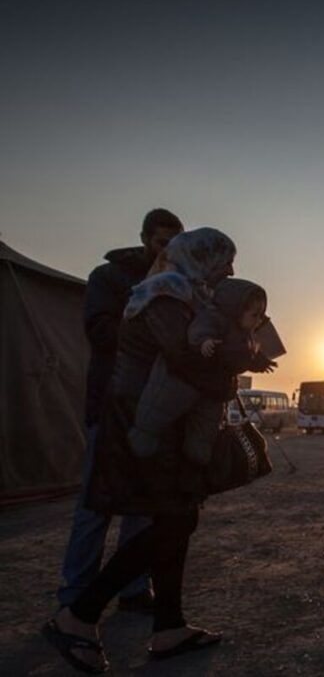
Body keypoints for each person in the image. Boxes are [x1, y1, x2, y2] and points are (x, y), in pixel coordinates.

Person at [42, 227, 236, 673]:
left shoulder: (190, 295)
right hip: (139, 422)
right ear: (202, 258)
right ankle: (79, 614)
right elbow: (183, 360)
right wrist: (230, 365)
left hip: (163, 422)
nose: (230, 268)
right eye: (224, 258)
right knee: (173, 517)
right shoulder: (165, 293)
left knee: (176, 516)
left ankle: (169, 627)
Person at [58, 208, 183, 614]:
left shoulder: (179, 284)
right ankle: (76, 596)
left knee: (144, 506)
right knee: (97, 506)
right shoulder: (108, 278)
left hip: (154, 409)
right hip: (112, 403)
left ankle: (133, 589)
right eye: (163, 242)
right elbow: (100, 332)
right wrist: (148, 310)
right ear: (146, 238)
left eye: (174, 244)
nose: (168, 250)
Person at [129, 279, 276, 466]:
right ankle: (142, 446)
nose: (258, 321)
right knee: (157, 414)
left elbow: (246, 356)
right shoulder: (215, 318)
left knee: (205, 431)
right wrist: (204, 342)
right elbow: (199, 331)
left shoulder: (245, 334)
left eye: (260, 316)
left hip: (214, 391)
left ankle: (198, 461)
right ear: (237, 309)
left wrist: (260, 362)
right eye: (255, 315)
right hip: (189, 383)